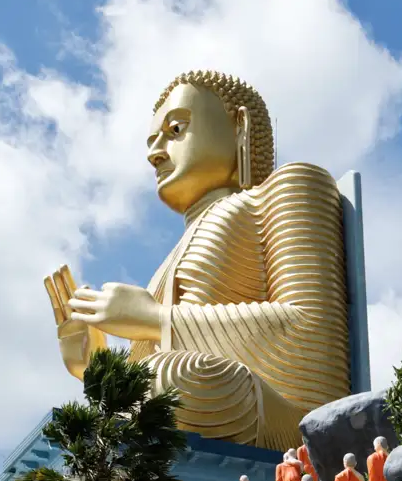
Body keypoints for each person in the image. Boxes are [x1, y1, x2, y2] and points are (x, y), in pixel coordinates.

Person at [43, 70, 351, 452]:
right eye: (153, 141)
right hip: (187, 397)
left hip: (282, 418)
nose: (155, 153)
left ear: (239, 125)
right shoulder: (170, 256)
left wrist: (154, 319)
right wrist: (96, 367)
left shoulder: (288, 187)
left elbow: (311, 327)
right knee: (145, 390)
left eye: (175, 130)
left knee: (176, 377)